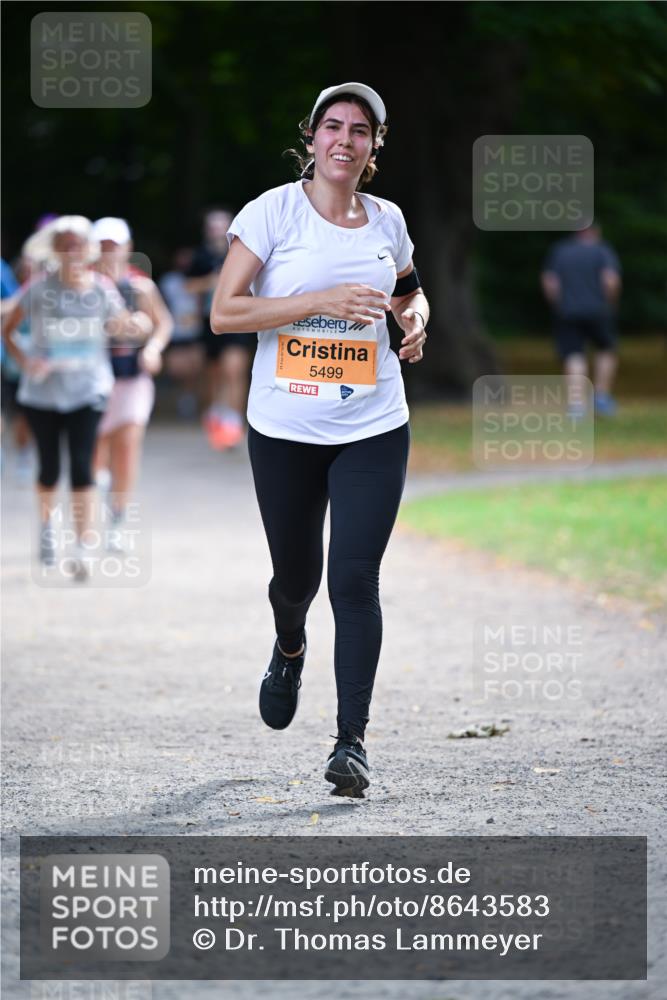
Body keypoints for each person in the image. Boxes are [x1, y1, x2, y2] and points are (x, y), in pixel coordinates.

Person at [211, 82, 429, 796]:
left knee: (354, 580)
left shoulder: (387, 221)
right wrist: (315, 301)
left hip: (372, 423)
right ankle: (288, 646)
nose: (344, 140)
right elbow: (224, 313)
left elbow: (407, 288)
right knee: (296, 580)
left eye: (359, 130)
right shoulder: (271, 212)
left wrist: (414, 318)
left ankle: (351, 743)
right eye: (332, 127)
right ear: (311, 138)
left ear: (373, 145)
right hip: (284, 428)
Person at [1, 216, 152, 580]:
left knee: (83, 466)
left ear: (88, 249)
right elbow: (7, 330)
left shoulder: (101, 289)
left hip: (89, 390)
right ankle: (48, 527)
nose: (71, 250)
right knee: (50, 467)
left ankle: (84, 546)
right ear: (54, 250)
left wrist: (139, 326)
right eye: (64, 244)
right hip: (43, 393)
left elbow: (122, 325)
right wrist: (25, 361)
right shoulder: (38, 289)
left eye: (77, 244)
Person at [91, 217, 173, 546]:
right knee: (96, 454)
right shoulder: (84, 287)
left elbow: (162, 323)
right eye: (103, 246)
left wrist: (152, 348)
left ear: (127, 247)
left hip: (132, 379)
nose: (109, 252)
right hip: (94, 380)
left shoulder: (140, 287)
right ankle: (93, 517)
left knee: (126, 449)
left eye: (115, 245)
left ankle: (117, 523)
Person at [186, 208, 255, 450]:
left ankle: (234, 424)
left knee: (234, 370)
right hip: (210, 322)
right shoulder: (200, 256)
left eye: (221, 226)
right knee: (214, 374)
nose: (216, 231)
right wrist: (211, 282)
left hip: (238, 320)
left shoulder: (244, 251)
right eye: (212, 226)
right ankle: (217, 417)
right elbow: (189, 287)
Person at [541, 223, 622, 416]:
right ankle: (601, 397)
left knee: (573, 354)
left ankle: (576, 405)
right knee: (606, 350)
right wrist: (611, 302)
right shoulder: (602, 250)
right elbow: (610, 280)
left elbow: (550, 283)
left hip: (567, 311)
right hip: (598, 310)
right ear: (594, 230)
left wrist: (558, 304)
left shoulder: (560, 251)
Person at [159, 248, 204, 418]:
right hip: (176, 332)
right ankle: (180, 397)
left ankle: (189, 400)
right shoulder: (169, 281)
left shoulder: (199, 280)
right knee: (177, 369)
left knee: (195, 368)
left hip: (194, 331)